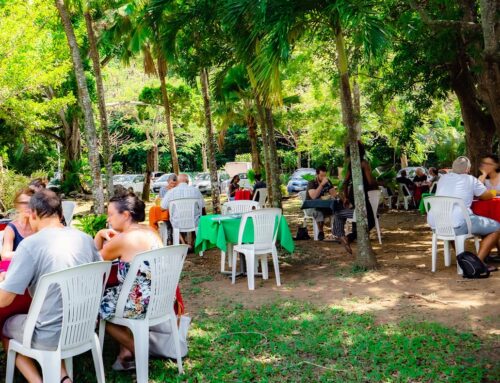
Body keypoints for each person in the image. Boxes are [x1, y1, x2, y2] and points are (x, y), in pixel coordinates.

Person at [0, 190, 101, 383]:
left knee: (6, 327)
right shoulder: (85, 239)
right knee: (50, 313)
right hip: (84, 326)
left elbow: (4, 300)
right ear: (61, 214)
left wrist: (5, 281)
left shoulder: (30, 245)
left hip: (49, 334)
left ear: (34, 214)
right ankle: (62, 378)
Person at [94, 191, 163, 371]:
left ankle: (137, 348)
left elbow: (93, 262)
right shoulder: (150, 230)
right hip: (161, 297)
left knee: (95, 306)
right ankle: (125, 353)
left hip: (140, 303)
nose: (108, 219)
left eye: (110, 214)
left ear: (125, 215)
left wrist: (99, 235)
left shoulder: (123, 239)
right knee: (115, 293)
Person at [427, 156, 500, 271]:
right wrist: (494, 192)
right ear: (467, 169)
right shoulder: (470, 179)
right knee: (496, 228)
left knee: (452, 222)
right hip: (459, 222)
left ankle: (462, 259)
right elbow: (485, 195)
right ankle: (477, 263)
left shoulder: (443, 178)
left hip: (437, 222)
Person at [333, 142, 377, 254]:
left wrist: (346, 197)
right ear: (362, 151)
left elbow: (345, 182)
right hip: (361, 194)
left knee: (356, 218)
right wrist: (380, 181)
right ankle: (349, 238)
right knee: (371, 220)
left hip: (353, 193)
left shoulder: (352, 163)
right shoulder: (364, 163)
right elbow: (370, 182)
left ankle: (349, 238)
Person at [1, 188, 35, 260]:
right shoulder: (11, 228)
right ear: (16, 205)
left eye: (31, 203)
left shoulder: (39, 225)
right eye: (24, 203)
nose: (28, 206)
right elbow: (5, 255)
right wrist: (32, 254)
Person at [305, 165, 337, 241]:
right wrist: (322, 184)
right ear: (317, 174)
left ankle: (336, 233)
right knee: (318, 212)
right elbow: (313, 197)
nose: (323, 177)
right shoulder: (312, 183)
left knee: (337, 210)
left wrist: (330, 190)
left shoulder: (328, 182)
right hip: (311, 207)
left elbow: (334, 195)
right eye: (321, 175)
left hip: (325, 206)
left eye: (325, 176)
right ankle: (321, 231)